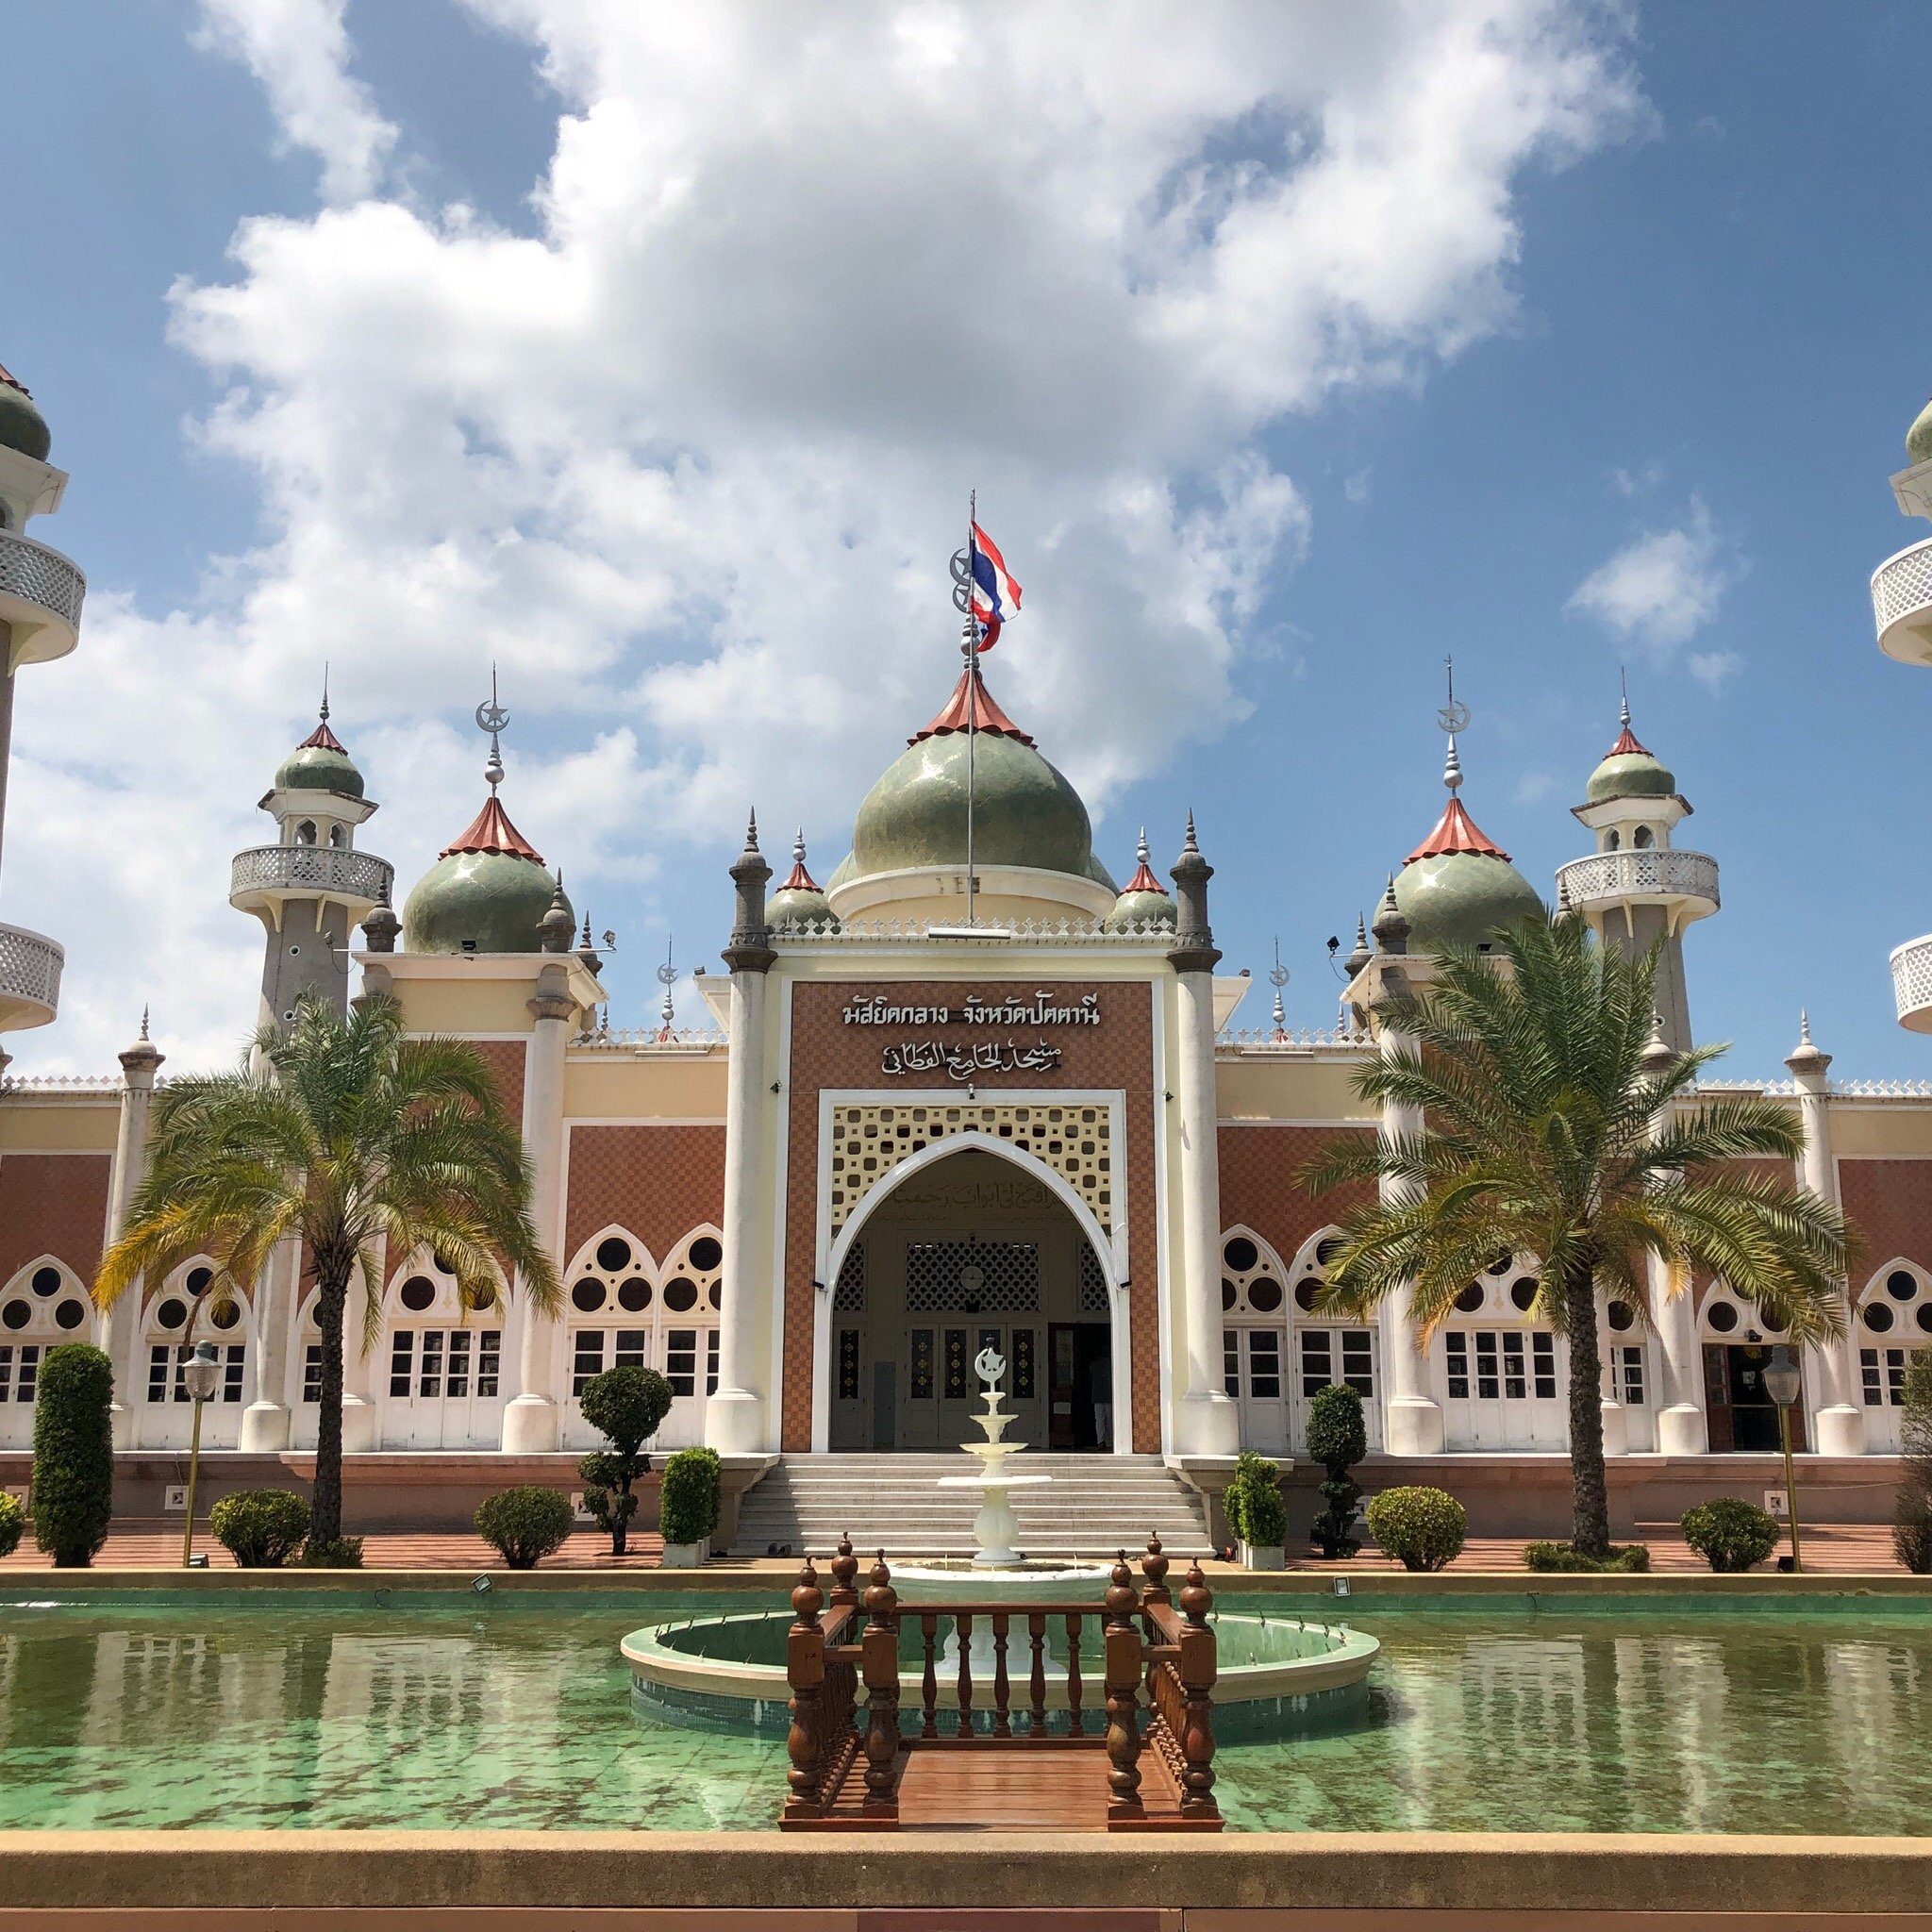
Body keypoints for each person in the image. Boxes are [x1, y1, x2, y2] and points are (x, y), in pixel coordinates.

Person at [1088, 1348, 1112, 1450]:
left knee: (1099, 1420)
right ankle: (1109, 1442)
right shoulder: (1111, 1365)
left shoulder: (1093, 1365)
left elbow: (1090, 1378)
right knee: (1109, 1420)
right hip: (1109, 1396)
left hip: (1097, 1396)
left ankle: (1100, 1441)